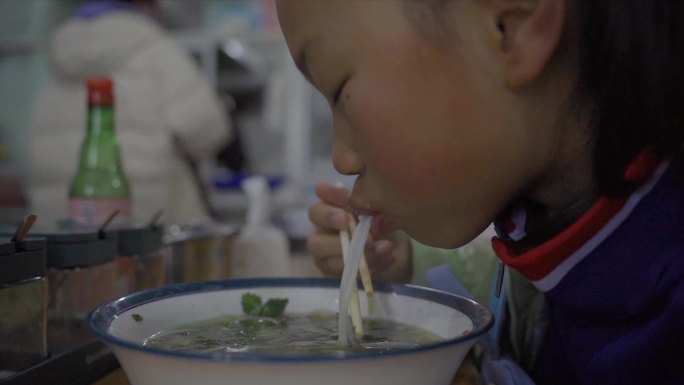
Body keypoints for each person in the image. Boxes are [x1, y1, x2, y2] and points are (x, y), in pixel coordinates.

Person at [277, 1, 684, 384]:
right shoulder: (557, 224)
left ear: (512, 26)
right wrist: (405, 268)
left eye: (337, 88)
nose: (342, 160)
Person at [28, 0, 230, 226]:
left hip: (64, 228)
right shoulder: (154, 47)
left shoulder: (60, 55)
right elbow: (207, 130)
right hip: (143, 221)